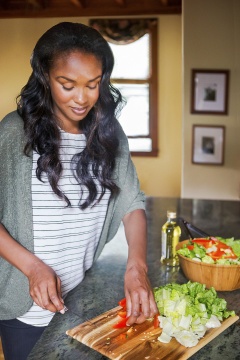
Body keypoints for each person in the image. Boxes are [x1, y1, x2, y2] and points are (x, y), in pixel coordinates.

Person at [0, 22, 158, 359]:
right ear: (44, 76)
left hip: (82, 298)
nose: (82, 98)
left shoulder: (109, 133)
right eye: (67, 84)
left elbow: (132, 203)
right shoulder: (15, 132)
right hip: (26, 309)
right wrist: (33, 267)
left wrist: (137, 268)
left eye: (93, 84)